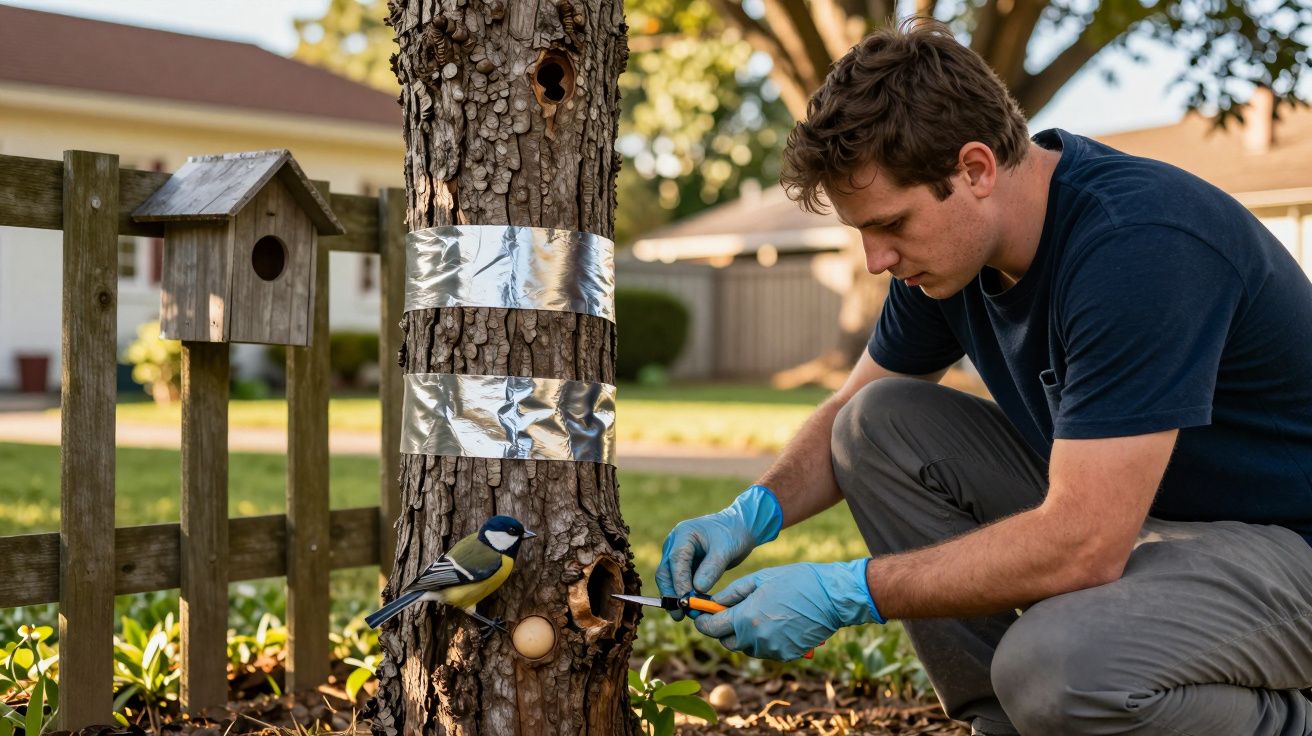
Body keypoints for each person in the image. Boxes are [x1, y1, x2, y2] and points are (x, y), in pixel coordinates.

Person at [655, 19, 1312, 736]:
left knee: (1060, 669)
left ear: (974, 169)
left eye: (891, 225)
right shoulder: (952, 254)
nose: (877, 260)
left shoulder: (1139, 246)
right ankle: (1003, 724)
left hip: (1287, 547)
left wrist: (852, 590)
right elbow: (853, 408)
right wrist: (748, 515)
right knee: (873, 423)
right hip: (1155, 525)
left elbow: (1086, 541)